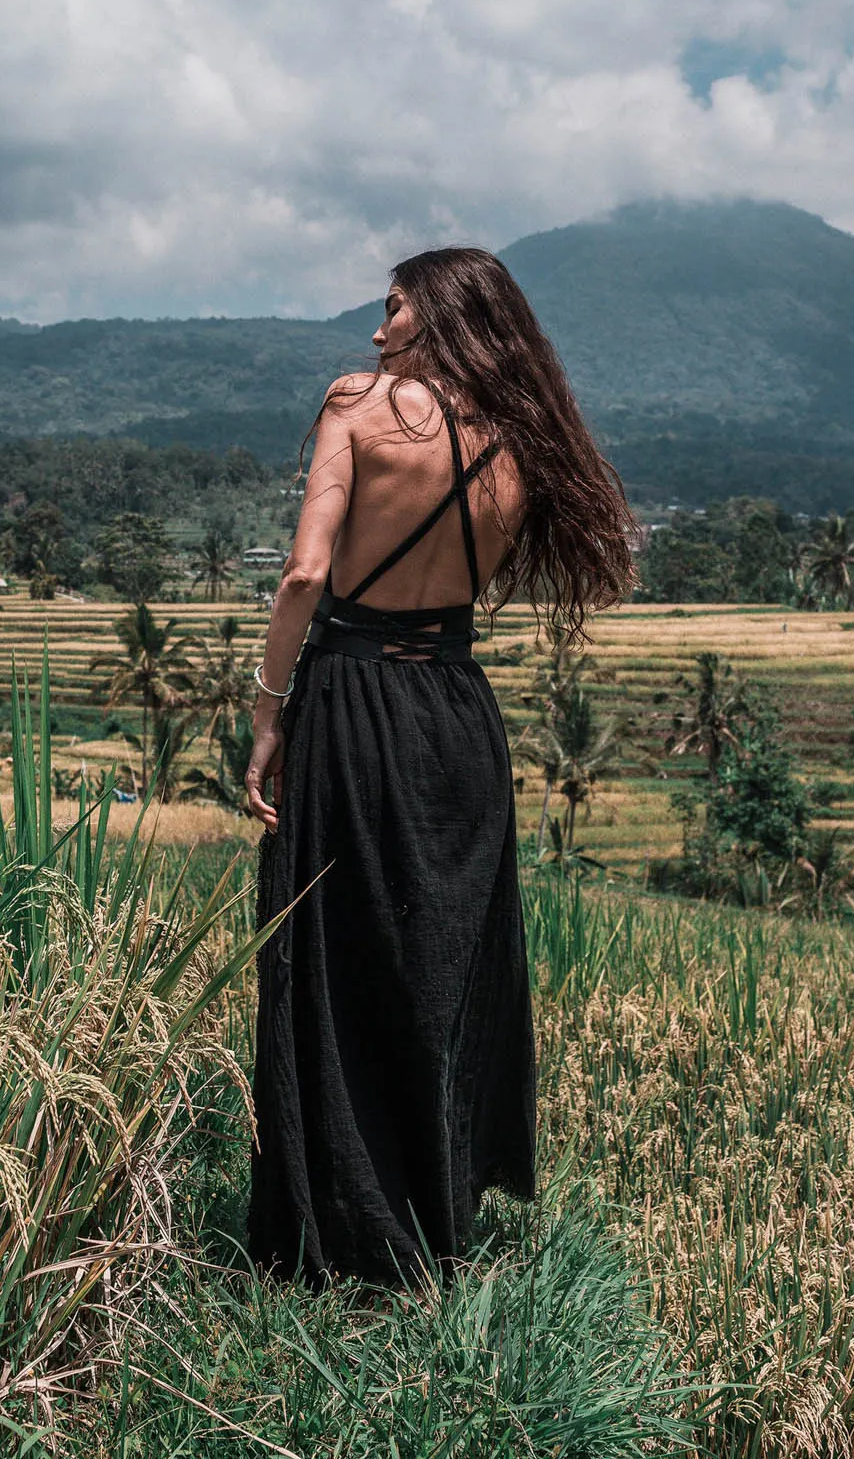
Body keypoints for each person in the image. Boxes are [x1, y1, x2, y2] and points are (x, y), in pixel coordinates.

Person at [244, 246, 634, 1285]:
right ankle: (436, 1220)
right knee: (443, 967)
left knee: (333, 954)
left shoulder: (359, 404)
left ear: (443, 315)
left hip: (352, 695)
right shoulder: (525, 440)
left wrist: (266, 709)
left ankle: (332, 1236)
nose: (377, 333)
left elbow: (305, 574)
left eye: (396, 309)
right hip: (458, 713)